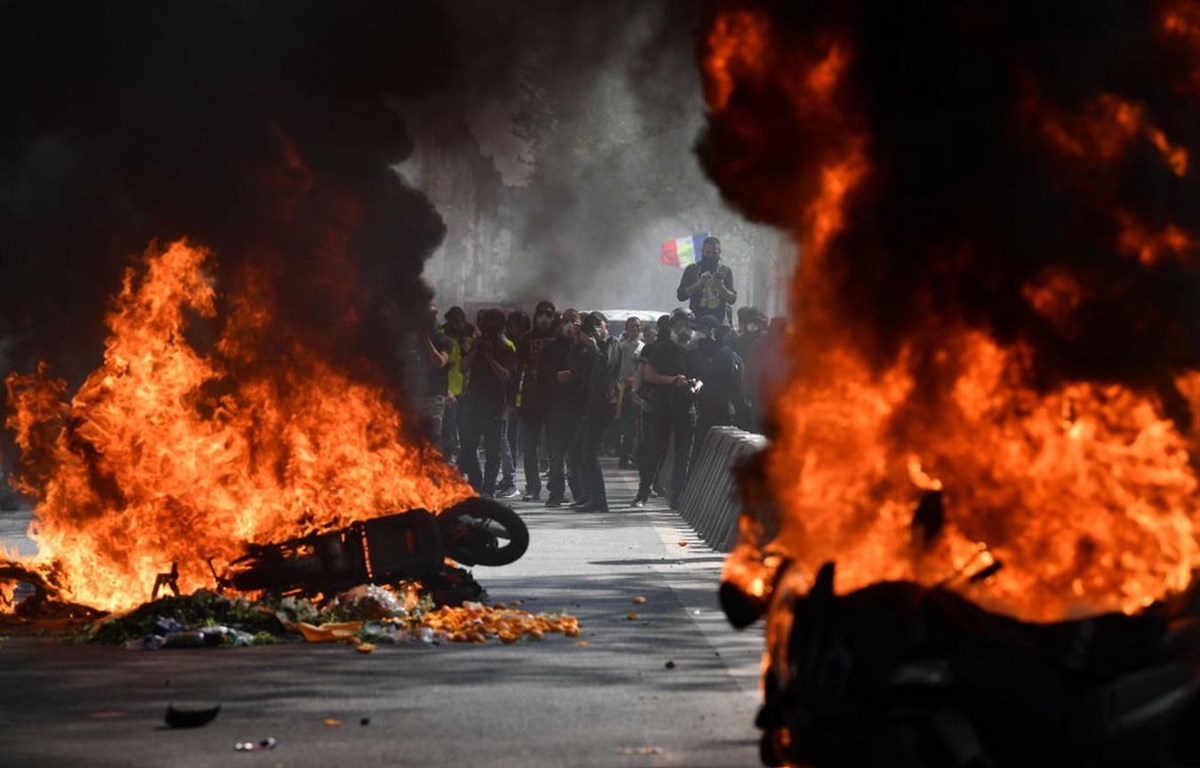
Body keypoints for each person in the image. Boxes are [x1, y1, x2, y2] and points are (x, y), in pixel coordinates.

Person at [633, 308, 698, 508]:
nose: (683, 328)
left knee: (683, 453)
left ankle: (677, 497)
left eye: (687, 324)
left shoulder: (696, 350)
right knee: (654, 451)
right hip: (662, 406)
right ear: (671, 327)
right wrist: (672, 381)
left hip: (686, 408)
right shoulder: (661, 349)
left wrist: (696, 384)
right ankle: (643, 492)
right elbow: (649, 376)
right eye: (679, 324)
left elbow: (703, 377)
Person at [456, 308, 518, 497]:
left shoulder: (506, 347)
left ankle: (489, 489)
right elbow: (462, 367)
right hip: (474, 404)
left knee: (493, 452)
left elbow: (507, 376)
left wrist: (490, 357)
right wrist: (477, 349)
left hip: (495, 404)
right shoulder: (477, 344)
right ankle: (477, 483)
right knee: (468, 448)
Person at [573, 312, 622, 512]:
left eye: (597, 325)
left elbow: (607, 369)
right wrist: (577, 341)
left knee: (589, 452)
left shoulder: (612, 344)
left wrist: (593, 348)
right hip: (591, 403)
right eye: (590, 326)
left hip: (604, 403)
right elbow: (577, 367)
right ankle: (589, 495)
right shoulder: (590, 345)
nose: (595, 329)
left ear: (605, 325)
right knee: (580, 449)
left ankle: (599, 500)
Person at [687, 314, 744, 469]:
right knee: (697, 457)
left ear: (713, 332)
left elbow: (734, 387)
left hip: (721, 414)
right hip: (702, 411)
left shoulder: (727, 355)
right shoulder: (696, 354)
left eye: (702, 330)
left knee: (719, 460)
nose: (698, 334)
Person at [515, 301, 558, 501]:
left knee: (555, 447)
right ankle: (533, 487)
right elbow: (517, 371)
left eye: (548, 314)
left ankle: (556, 488)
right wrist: (512, 401)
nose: (543, 318)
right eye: (540, 313)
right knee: (529, 447)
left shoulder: (560, 339)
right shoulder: (525, 339)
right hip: (530, 399)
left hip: (554, 401)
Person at [542, 308, 585, 507]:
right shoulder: (551, 348)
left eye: (573, 321)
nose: (569, 325)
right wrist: (554, 376)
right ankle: (556, 493)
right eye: (566, 321)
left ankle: (579, 492)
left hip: (578, 408)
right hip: (556, 408)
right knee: (557, 455)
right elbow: (540, 373)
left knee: (576, 454)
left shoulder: (585, 346)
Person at [402, 301, 453, 445]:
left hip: (433, 398)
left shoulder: (443, 340)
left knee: (431, 440)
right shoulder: (407, 339)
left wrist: (425, 339)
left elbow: (439, 362)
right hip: (410, 396)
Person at [439, 306, 474, 463]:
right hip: (446, 388)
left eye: (460, 320)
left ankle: (461, 458)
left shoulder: (467, 337)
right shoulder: (440, 335)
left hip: (464, 387)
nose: (457, 325)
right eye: (454, 320)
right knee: (448, 426)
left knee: (463, 426)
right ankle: (450, 454)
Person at [676, 237, 736, 326]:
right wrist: (699, 284)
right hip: (696, 321)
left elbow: (732, 299)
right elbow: (681, 296)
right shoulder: (692, 269)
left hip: (719, 322)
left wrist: (721, 287)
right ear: (702, 252)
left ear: (719, 252)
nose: (711, 256)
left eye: (714, 253)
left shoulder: (725, 271)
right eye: (708, 253)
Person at [615, 316, 644, 469]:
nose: (636, 329)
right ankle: (624, 456)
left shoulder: (644, 347)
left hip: (640, 390)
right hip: (625, 389)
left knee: (639, 426)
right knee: (628, 425)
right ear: (627, 328)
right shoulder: (621, 347)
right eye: (632, 326)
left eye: (638, 326)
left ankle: (635, 455)